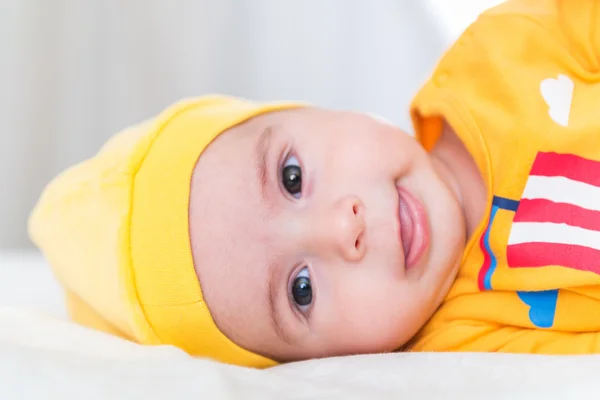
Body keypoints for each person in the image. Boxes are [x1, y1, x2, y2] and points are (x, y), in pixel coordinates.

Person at [29, 0, 600, 369]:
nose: (340, 227)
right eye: (300, 290)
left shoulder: (503, 56)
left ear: (317, 111)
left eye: (291, 176)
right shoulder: (470, 344)